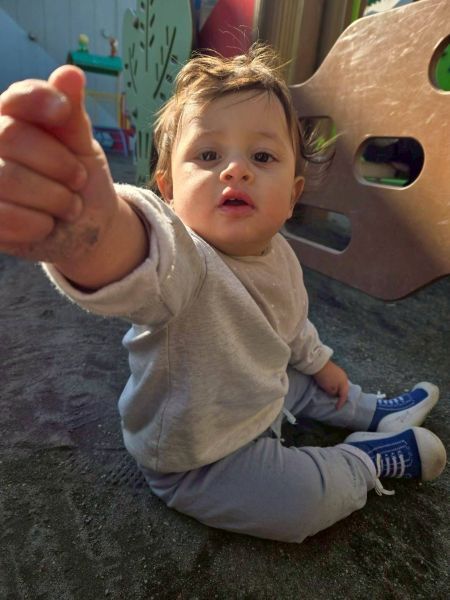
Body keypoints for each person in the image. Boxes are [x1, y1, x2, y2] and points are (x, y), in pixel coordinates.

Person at [0, 44, 445, 543]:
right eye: (208, 155)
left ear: (293, 196)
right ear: (168, 191)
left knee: (301, 377)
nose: (236, 170)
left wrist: (321, 363)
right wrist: (94, 230)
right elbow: (139, 253)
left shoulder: (281, 254)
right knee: (300, 504)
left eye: (262, 156)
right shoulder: (183, 261)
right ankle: (366, 458)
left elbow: (291, 323)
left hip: (256, 388)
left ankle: (370, 410)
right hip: (199, 455)